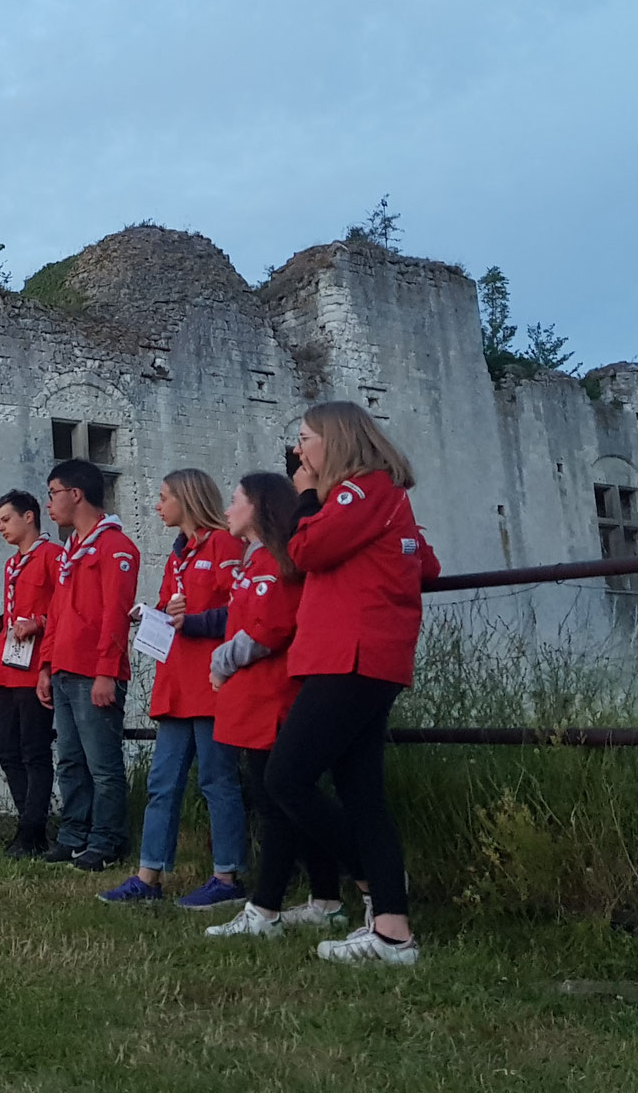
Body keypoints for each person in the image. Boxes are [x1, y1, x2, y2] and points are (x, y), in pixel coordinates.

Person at [273, 401, 440, 965]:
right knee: (361, 793)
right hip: (360, 656)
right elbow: (426, 565)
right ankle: (392, 927)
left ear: (336, 442)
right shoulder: (379, 497)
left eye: (305, 438)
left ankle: (375, 881)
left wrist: (305, 496)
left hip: (352, 655)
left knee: (287, 777)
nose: (299, 450)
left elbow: (303, 551)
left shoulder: (361, 491)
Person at [203, 472, 353, 939]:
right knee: (279, 803)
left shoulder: (273, 561)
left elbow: (269, 630)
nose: (228, 510)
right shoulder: (256, 561)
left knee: (276, 804)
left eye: (235, 500)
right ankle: (326, 899)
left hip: (271, 695)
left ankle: (265, 909)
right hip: (254, 698)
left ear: (259, 507)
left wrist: (221, 661)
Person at [100, 469, 248, 907]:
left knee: (217, 780)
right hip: (177, 684)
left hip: (209, 682)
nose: (157, 505)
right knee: (163, 783)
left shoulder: (223, 544)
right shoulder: (178, 553)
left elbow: (240, 610)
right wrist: (155, 612)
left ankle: (227, 875)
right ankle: (149, 876)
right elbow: (172, 605)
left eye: (164, 497)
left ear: (186, 499)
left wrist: (191, 618)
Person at [38, 458, 142, 872]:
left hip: (94, 672)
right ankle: (73, 833)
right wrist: (46, 664)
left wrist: (105, 670)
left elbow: (115, 614)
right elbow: (57, 611)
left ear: (75, 494)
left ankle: (107, 840)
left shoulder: (116, 547)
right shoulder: (71, 550)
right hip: (65, 668)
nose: (49, 504)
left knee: (102, 764)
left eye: (52, 494)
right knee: (70, 760)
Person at [0, 490, 61, 859]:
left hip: (34, 668)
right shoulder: (13, 564)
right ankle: (27, 821)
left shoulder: (51, 557)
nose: (1, 527)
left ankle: (33, 829)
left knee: (34, 750)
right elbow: (16, 606)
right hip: (7, 667)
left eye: (6, 519)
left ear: (29, 517)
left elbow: (62, 608)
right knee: (6, 748)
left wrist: (39, 623)